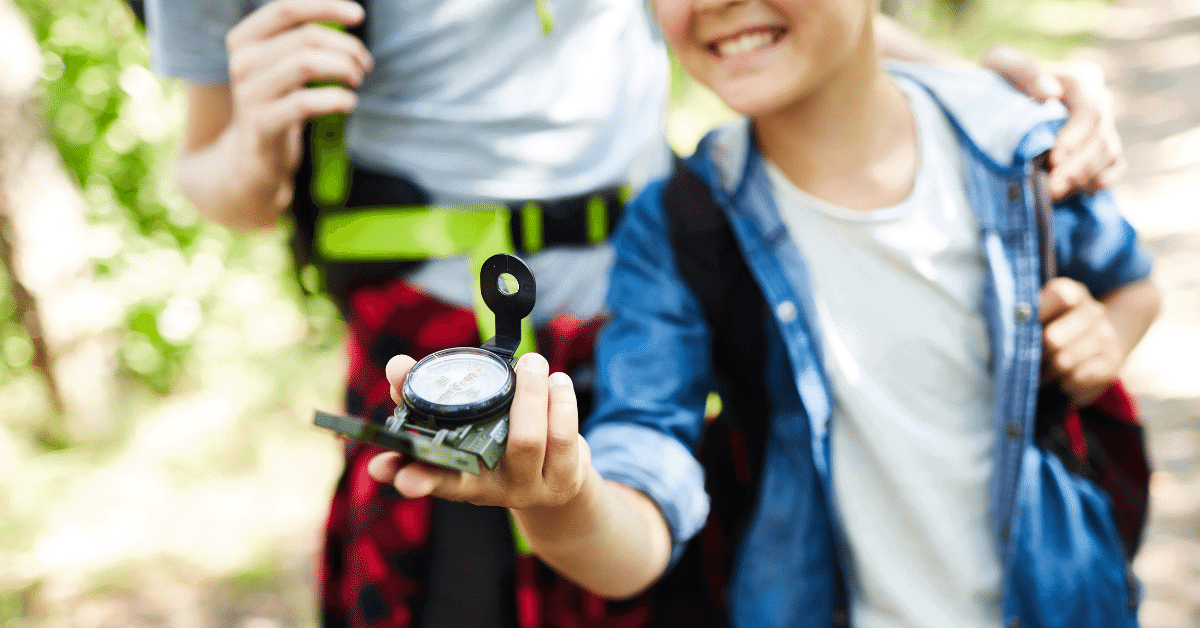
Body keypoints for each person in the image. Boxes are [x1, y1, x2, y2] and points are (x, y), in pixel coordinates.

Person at [142, 0, 1133, 625]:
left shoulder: (989, 157)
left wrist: (981, 95)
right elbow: (215, 171)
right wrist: (260, 137)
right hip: (443, 341)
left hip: (652, 311)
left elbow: (789, 26)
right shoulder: (697, 221)